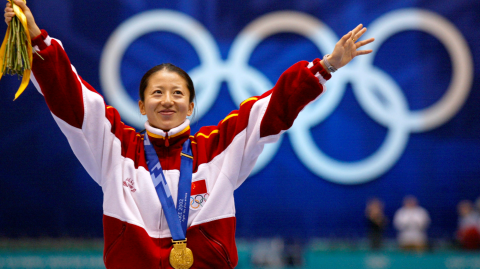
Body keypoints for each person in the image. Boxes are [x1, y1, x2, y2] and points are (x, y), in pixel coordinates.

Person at [4, 1, 375, 268]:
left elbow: (273, 107)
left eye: (178, 93)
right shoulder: (117, 149)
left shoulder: (219, 147)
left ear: (192, 106)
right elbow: (72, 99)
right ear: (142, 104)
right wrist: (36, 38)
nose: (168, 101)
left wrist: (325, 67)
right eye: (157, 93)